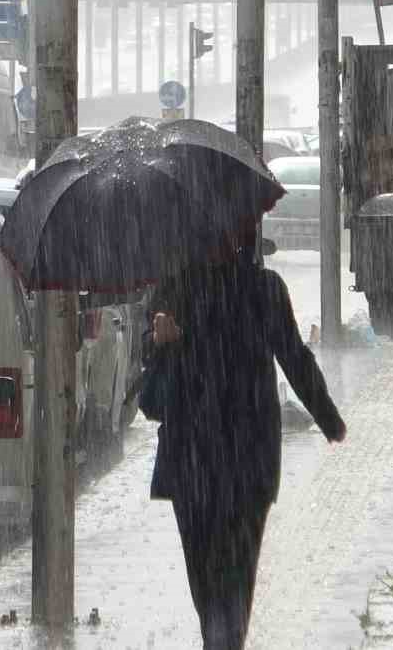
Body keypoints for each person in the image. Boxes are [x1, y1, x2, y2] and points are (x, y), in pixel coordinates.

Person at [139, 225, 347, 649]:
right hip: (232, 459)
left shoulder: (184, 289)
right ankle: (224, 639)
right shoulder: (243, 289)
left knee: (218, 578)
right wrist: (329, 420)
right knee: (225, 578)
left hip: (205, 461)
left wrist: (329, 420)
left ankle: (222, 640)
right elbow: (295, 357)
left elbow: (294, 357)